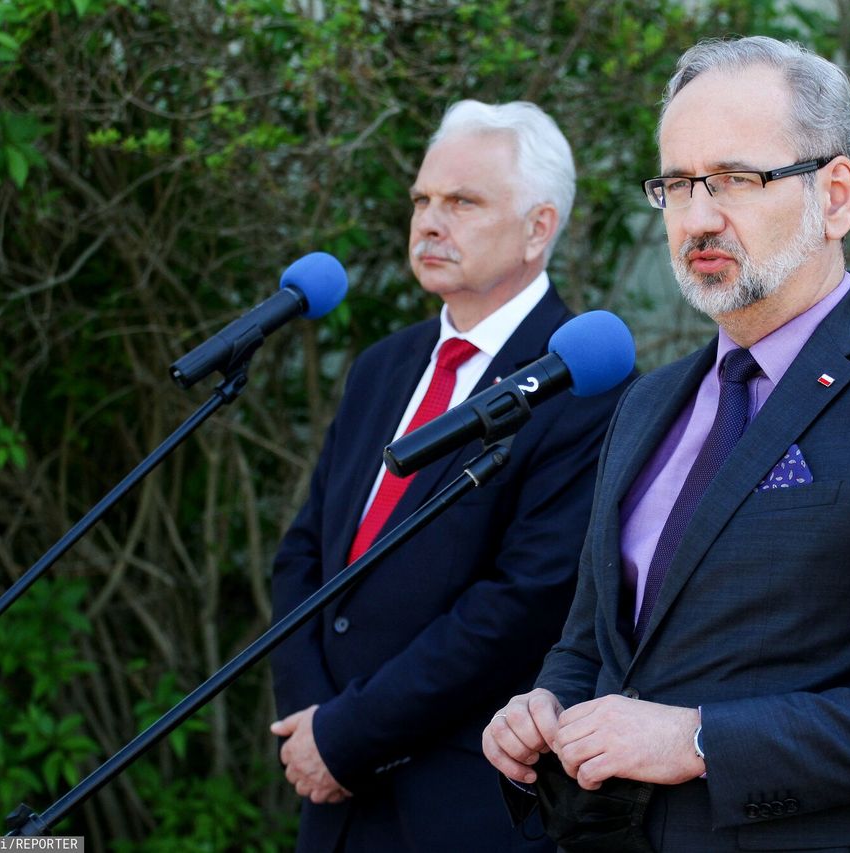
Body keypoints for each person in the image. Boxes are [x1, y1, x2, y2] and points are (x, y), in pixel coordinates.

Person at [483, 36, 850, 851]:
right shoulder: (646, 404)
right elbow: (594, 644)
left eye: (738, 179)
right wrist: (545, 707)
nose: (699, 216)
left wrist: (700, 740)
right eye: (677, 185)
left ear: (837, 196)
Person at [267, 100, 629, 853]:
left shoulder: (581, 389)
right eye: (422, 200)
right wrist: (313, 720)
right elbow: (306, 552)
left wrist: (349, 734)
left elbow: (520, 604)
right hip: (330, 793)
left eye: (462, 201)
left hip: (456, 804)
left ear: (539, 228)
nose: (430, 220)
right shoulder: (382, 367)